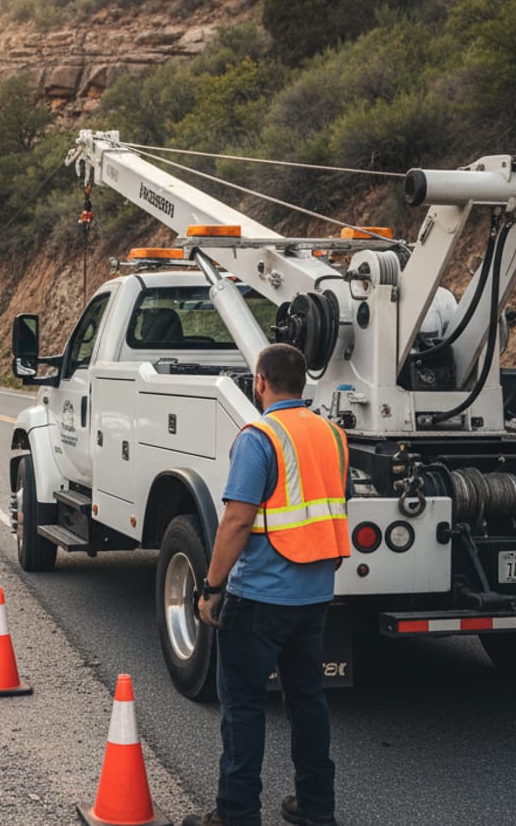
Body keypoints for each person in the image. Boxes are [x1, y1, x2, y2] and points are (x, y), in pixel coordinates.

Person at [183, 343, 351, 826]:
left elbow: (237, 519)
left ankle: (236, 815)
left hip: (259, 597)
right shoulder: (332, 435)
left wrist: (211, 587)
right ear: (302, 383)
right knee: (307, 701)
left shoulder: (260, 436)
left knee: (242, 706)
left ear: (259, 381)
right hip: (315, 593)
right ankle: (316, 808)